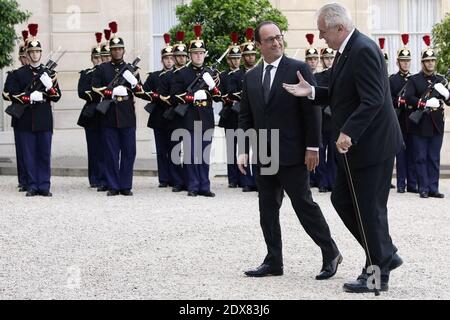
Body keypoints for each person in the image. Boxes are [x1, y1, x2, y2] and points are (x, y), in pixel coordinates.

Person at [283, 3, 404, 293]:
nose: (321, 37)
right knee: (343, 201)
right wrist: (311, 92)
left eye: (323, 31)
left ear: (339, 28)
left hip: (372, 146)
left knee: (369, 211)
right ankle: (385, 254)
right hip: (359, 148)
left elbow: (373, 99)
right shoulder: (347, 49)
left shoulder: (362, 49)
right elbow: (343, 94)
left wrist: (348, 131)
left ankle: (378, 276)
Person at [239, 21, 341, 280]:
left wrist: (312, 147)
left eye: (278, 37)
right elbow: (246, 116)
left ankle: (331, 253)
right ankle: (274, 261)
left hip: (294, 153)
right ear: (259, 45)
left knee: (304, 205)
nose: (276, 42)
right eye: (270, 39)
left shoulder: (298, 68)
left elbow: (312, 110)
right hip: (264, 153)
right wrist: (242, 149)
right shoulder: (250, 76)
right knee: (267, 210)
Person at [92, 21, 152, 196]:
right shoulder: (103, 69)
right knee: (111, 153)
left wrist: (134, 83)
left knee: (129, 152)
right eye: (114, 49)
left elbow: (140, 92)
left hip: (126, 114)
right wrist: (110, 91)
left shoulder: (131, 70)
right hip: (109, 115)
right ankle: (113, 185)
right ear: (110, 51)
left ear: (124, 51)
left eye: (120, 49)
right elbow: (95, 89)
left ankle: (125, 185)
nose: (117, 51)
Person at [9, 23, 62, 197]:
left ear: (41, 53)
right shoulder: (19, 74)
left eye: (37, 51)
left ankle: (44, 185)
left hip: (44, 118)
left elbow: (56, 96)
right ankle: (32, 185)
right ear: (27, 54)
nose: (34, 54)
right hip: (25, 118)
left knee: (44, 154)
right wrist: (29, 97)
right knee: (29, 155)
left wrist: (49, 87)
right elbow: (13, 95)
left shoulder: (49, 74)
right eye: (31, 52)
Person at [171, 24, 222, 197]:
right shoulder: (182, 74)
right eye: (195, 53)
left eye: (201, 53)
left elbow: (218, 97)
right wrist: (193, 96)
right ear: (190, 55)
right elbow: (175, 96)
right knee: (192, 153)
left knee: (204, 152)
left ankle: (204, 186)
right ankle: (193, 185)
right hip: (189, 117)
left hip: (206, 116)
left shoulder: (211, 74)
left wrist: (212, 86)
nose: (198, 56)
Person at [404, 35, 450, 199]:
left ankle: (433, 188)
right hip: (420, 124)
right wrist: (424, 104)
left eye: (432, 60)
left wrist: (446, 93)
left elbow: (449, 101)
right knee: (421, 157)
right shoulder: (414, 80)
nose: (430, 63)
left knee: (433, 157)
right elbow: (408, 98)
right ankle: (423, 187)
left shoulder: (441, 80)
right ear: (422, 63)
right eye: (427, 61)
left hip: (436, 124)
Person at [143, 33, 175, 188]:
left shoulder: (179, 75)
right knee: (161, 150)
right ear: (162, 60)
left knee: (174, 149)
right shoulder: (154, 76)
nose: (169, 61)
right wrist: (158, 97)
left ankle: (175, 177)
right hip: (158, 117)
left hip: (174, 117)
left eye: (171, 58)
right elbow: (144, 91)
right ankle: (164, 178)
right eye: (166, 58)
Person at [77, 32, 106, 190]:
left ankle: (105, 176)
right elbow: (82, 92)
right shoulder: (87, 74)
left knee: (106, 147)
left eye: (100, 58)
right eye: (95, 58)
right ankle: (94, 178)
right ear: (91, 59)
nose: (98, 61)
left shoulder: (108, 73)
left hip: (106, 113)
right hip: (92, 114)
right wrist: (98, 93)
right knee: (94, 148)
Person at [389, 34, 417, 194]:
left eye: (407, 61)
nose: (405, 64)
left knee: (413, 153)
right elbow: (389, 99)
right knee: (400, 154)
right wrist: (399, 101)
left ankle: (412, 184)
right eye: (403, 61)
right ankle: (401, 183)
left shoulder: (414, 79)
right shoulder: (393, 80)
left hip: (412, 120)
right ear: (398, 62)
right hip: (398, 120)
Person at [2, 30, 29, 192]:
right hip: (20, 114)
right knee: (22, 149)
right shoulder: (14, 75)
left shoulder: (39, 73)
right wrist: (21, 97)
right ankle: (24, 179)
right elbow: (6, 93)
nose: (27, 59)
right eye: (24, 57)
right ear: (20, 58)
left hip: (35, 115)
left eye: (29, 55)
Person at [315, 47, 336, 193]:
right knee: (321, 154)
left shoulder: (337, 75)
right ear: (322, 60)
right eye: (326, 58)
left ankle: (332, 182)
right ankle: (322, 182)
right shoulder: (317, 77)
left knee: (334, 155)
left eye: (331, 58)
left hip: (334, 121)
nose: (329, 60)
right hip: (322, 120)